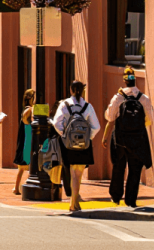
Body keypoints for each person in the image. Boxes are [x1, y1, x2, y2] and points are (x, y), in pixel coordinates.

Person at [103, 67, 154, 208]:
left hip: (120, 140)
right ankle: (130, 200)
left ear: (124, 80)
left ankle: (116, 196)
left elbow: (109, 116)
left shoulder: (118, 98)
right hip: (138, 140)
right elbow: (149, 120)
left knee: (118, 167)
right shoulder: (144, 99)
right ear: (135, 80)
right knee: (135, 169)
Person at [52, 80, 101, 212]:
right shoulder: (87, 106)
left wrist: (64, 134)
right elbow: (96, 126)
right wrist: (88, 138)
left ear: (71, 90)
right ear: (82, 91)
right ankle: (74, 202)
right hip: (84, 145)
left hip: (68, 144)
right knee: (78, 174)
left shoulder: (64, 104)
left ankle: (73, 202)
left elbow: (57, 123)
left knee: (73, 173)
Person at [12, 89, 36, 196]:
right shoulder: (28, 110)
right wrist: (33, 109)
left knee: (25, 167)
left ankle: (17, 187)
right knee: (23, 167)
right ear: (30, 99)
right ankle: (17, 187)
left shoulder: (28, 110)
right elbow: (25, 115)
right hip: (26, 142)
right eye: (34, 97)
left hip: (27, 140)